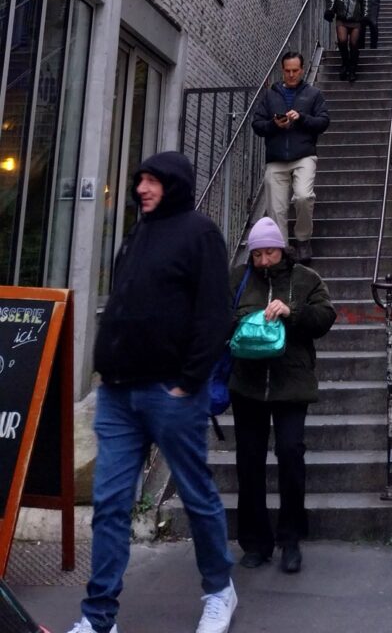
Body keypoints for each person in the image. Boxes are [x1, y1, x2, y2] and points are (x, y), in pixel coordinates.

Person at [67, 152, 236, 633]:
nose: (141, 187)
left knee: (198, 496)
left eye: (151, 180)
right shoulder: (137, 235)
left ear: (174, 184)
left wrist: (190, 379)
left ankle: (219, 589)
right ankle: (98, 618)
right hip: (118, 395)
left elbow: (213, 314)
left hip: (171, 393)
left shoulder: (200, 234)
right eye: (139, 179)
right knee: (110, 505)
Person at [230, 216, 336, 575]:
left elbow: (325, 318)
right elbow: (218, 319)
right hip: (247, 385)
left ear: (282, 249)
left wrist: (292, 313)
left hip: (292, 385)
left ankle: (291, 539)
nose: (263, 261)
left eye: (270, 253)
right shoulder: (239, 280)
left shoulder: (306, 279)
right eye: (257, 254)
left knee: (291, 455)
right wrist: (249, 325)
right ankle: (255, 542)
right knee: (249, 461)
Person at [252, 50, 330, 267]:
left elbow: (323, 122)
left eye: (295, 71)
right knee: (276, 208)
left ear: (302, 70)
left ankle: (303, 239)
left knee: (304, 196)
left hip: (304, 154)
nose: (291, 75)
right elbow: (257, 125)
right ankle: (282, 248)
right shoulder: (270, 95)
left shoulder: (313, 94)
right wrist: (273, 125)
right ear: (282, 71)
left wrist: (302, 118)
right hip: (276, 157)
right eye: (287, 71)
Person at [324, 0, 370, 83]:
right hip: (342, 18)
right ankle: (345, 63)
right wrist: (330, 10)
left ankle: (352, 69)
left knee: (354, 44)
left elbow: (366, 2)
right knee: (342, 41)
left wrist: (365, 16)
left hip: (356, 20)